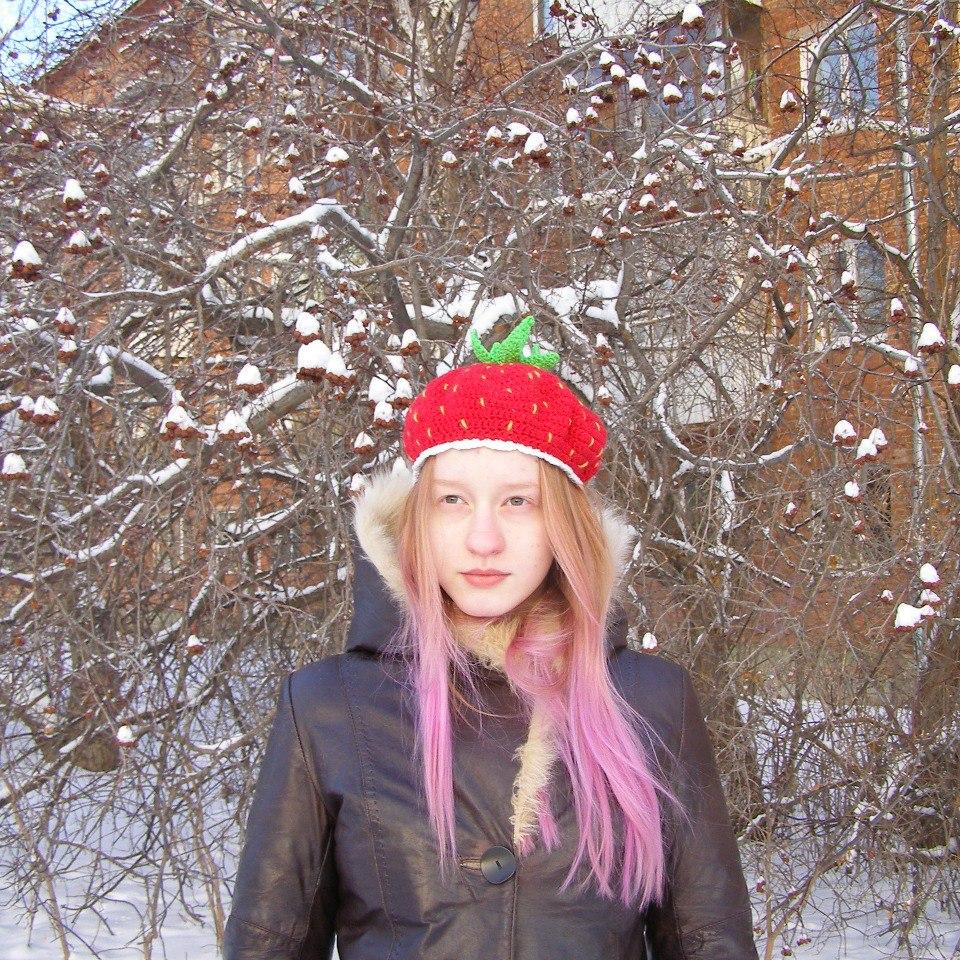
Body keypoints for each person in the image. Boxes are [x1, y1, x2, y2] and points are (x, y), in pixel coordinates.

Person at [223, 316, 759, 960]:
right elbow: (268, 942)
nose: (483, 540)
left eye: (518, 502)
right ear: (417, 518)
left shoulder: (652, 701)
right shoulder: (327, 707)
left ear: (565, 524)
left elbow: (708, 940)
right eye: (452, 500)